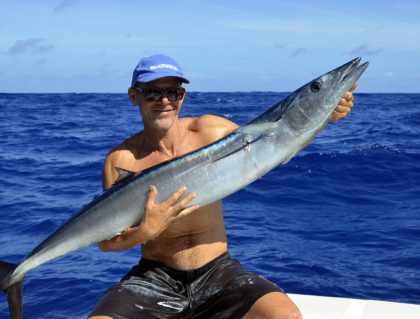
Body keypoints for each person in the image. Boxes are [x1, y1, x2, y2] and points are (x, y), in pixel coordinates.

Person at [88, 54, 356, 319]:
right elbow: (107, 243)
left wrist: (323, 116)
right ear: (134, 96)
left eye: (173, 92)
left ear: (182, 96)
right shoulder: (121, 160)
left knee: (285, 316)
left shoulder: (210, 130)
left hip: (217, 271)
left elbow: (273, 146)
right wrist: (145, 231)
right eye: (153, 93)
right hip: (154, 277)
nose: (165, 101)